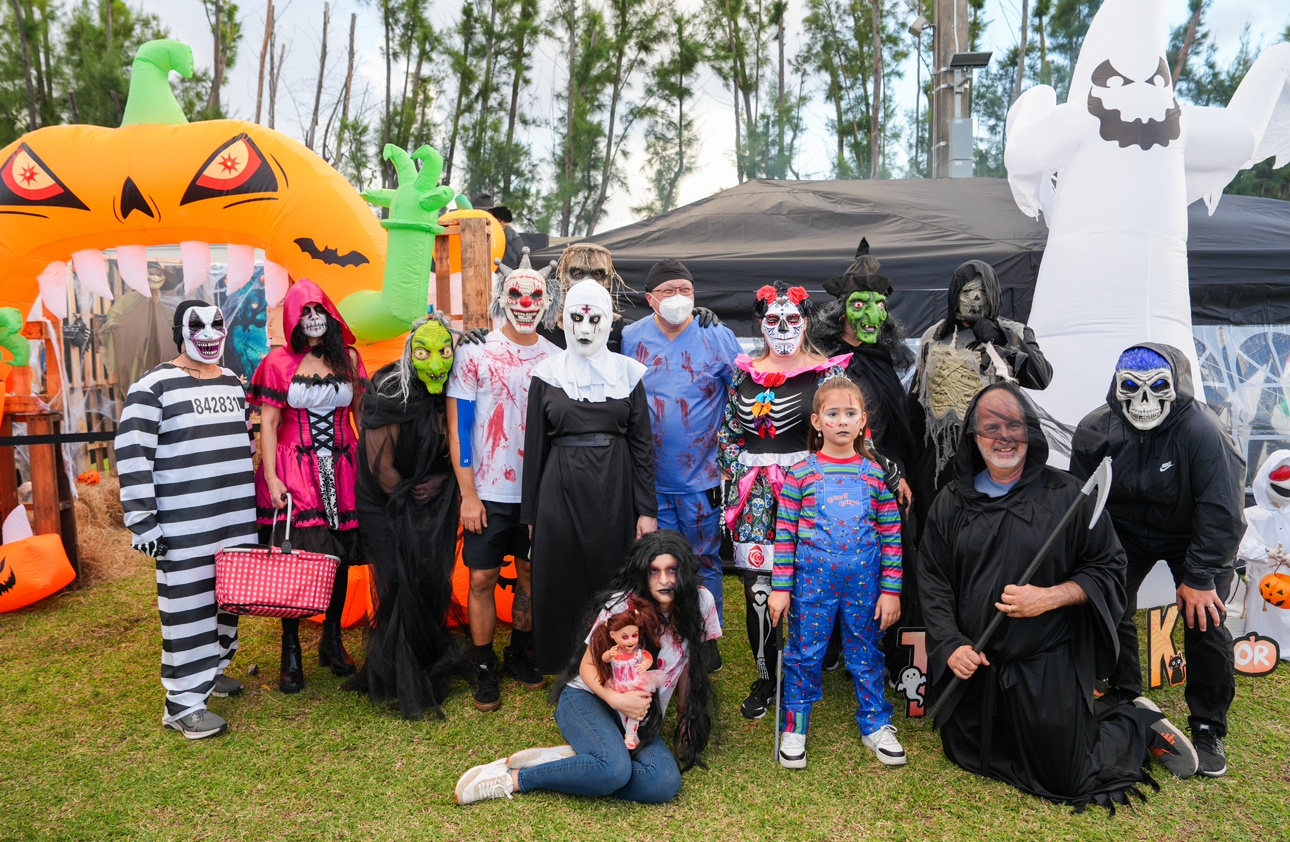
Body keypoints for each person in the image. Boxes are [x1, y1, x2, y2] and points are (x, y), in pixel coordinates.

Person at [920, 382, 1198, 808]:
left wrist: (1048, 597)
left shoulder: (1068, 496)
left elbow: (1108, 567)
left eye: (1013, 425)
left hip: (1045, 659)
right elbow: (934, 580)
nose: (1003, 437)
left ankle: (1133, 722)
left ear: (1030, 431)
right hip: (979, 661)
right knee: (966, 753)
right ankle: (1084, 713)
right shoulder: (953, 501)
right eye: (990, 427)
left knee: (1069, 778)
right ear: (974, 439)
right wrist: (951, 644)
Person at [1071, 343, 1245, 777]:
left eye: (1157, 389)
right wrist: (1090, 561)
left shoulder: (1203, 430)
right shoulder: (1096, 428)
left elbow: (1223, 507)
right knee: (1108, 602)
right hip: (1128, 531)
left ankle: (1207, 723)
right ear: (1116, 388)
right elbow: (1082, 500)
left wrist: (1202, 574)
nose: (1144, 402)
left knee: (1204, 618)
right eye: (1131, 389)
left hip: (1194, 533)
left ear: (1176, 387)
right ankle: (1124, 691)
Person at [454, 530, 720, 805]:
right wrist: (617, 699)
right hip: (588, 697)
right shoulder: (621, 605)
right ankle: (514, 777)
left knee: (662, 781)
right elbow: (587, 665)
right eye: (654, 571)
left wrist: (686, 716)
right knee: (614, 770)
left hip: (637, 717)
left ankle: (582, 763)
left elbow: (690, 664)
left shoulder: (701, 602)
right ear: (641, 572)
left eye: (672, 570)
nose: (664, 580)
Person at [116, 300, 257, 739]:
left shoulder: (234, 382)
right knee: (188, 608)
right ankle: (182, 704)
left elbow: (242, 442)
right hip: (183, 525)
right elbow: (132, 453)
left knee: (227, 601)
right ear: (180, 330)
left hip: (234, 518)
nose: (209, 331)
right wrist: (143, 522)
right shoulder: (154, 386)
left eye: (217, 322)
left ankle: (212, 671)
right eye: (198, 324)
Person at [718, 281, 850, 720]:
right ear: (760, 324)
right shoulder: (744, 374)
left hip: (811, 489)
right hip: (754, 496)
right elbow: (728, 435)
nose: (783, 328)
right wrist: (741, 469)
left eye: (792, 319)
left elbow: (849, 433)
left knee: (808, 584)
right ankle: (766, 676)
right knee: (757, 587)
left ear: (806, 321)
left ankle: (804, 671)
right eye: (773, 320)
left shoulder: (827, 374)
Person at [767, 376, 906, 768]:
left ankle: (875, 724)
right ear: (816, 421)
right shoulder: (800, 474)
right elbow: (784, 536)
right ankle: (795, 726)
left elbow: (892, 538)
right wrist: (781, 589)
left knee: (865, 653)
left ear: (863, 422)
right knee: (803, 654)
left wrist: (891, 591)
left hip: (864, 587)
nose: (842, 421)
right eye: (833, 414)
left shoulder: (876, 475)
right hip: (812, 586)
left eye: (850, 414)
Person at [522, 280, 658, 674]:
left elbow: (642, 446)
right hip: (559, 486)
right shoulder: (546, 374)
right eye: (576, 317)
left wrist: (646, 509)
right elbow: (535, 448)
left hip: (614, 485)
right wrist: (530, 515)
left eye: (593, 318)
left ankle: (615, 658)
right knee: (560, 572)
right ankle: (563, 661)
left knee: (611, 571)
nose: (584, 327)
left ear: (606, 321)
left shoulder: (628, 373)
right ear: (564, 320)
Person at [447, 250, 561, 710]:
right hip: (488, 494)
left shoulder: (557, 358)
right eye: (517, 292)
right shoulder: (476, 352)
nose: (527, 302)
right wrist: (469, 493)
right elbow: (460, 424)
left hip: (536, 493)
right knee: (482, 578)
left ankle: (519, 653)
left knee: (533, 576)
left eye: (536, 294)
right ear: (502, 295)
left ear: (548, 300)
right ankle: (482, 665)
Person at [621, 258, 742, 670]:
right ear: (649, 298)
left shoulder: (717, 335)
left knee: (704, 561)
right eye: (669, 291)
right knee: (649, 563)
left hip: (701, 478)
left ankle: (707, 637)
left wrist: (733, 456)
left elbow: (746, 395)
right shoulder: (629, 338)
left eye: (686, 290)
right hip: (648, 481)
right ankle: (653, 636)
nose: (678, 298)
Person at [248, 280, 367, 694]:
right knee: (296, 558)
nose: (312, 318)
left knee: (340, 557)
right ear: (293, 319)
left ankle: (331, 640)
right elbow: (268, 422)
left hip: (343, 466)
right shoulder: (277, 362)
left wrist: (372, 466)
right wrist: (271, 476)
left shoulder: (349, 358)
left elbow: (362, 416)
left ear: (330, 315)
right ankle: (290, 646)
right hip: (294, 467)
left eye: (319, 309)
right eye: (304, 311)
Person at [809, 238, 920, 676]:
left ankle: (884, 646)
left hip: (890, 476)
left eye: (878, 305)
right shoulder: (829, 362)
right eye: (859, 304)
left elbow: (899, 424)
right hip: (847, 476)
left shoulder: (884, 358)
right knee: (841, 555)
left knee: (887, 558)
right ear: (842, 310)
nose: (870, 315)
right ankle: (834, 643)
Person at [350, 315, 465, 720]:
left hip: (433, 493)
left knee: (431, 574)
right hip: (387, 499)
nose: (435, 363)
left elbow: (454, 439)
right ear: (409, 354)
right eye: (424, 354)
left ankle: (425, 654)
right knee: (399, 579)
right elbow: (380, 467)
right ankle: (398, 671)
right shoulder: (388, 389)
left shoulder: (455, 380)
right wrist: (409, 492)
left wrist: (440, 483)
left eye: (444, 353)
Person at [910, 259, 1053, 506]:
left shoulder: (1015, 331)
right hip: (938, 459)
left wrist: (1004, 339)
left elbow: (1041, 377)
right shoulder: (933, 336)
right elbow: (916, 400)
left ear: (994, 294)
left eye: (983, 292)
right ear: (956, 295)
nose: (975, 299)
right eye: (967, 292)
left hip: (991, 450)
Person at [1236, 450, 1290, 660]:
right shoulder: (1252, 515)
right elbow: (1242, 541)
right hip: (1263, 575)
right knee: (1264, 608)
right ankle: (1265, 642)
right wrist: (1266, 553)